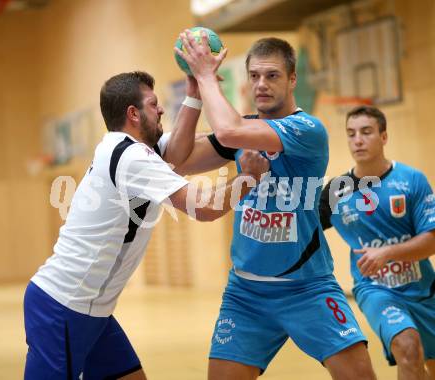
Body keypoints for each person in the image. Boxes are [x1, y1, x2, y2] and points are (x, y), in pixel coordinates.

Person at [23, 71, 269, 380]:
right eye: (154, 104)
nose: (162, 109)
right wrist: (249, 178)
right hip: (63, 306)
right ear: (133, 114)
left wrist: (194, 94)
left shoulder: (128, 148)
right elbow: (204, 207)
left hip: (92, 308)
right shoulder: (132, 158)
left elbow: (178, 154)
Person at [174, 33, 376, 379]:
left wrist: (207, 75)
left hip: (307, 288)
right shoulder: (244, 128)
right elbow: (178, 160)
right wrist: (193, 95)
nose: (261, 84)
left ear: (292, 79)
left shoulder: (306, 129)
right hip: (246, 293)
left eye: (272, 75)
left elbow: (228, 131)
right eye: (254, 76)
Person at [320, 106, 435, 380]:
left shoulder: (412, 180)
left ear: (383, 137)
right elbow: (304, 234)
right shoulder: (337, 191)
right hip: (375, 289)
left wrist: (387, 253)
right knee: (407, 346)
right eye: (351, 134)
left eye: (366, 132)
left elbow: (431, 241)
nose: (357, 140)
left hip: (423, 289)